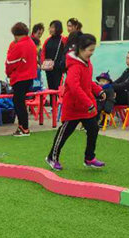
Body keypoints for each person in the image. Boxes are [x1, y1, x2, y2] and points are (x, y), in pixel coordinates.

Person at [46, 34, 106, 171]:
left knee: (93, 129)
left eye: (93, 50)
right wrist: (88, 103)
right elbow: (74, 87)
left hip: (85, 107)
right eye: (89, 50)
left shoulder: (87, 64)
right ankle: (52, 157)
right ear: (80, 49)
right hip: (73, 107)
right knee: (65, 133)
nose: (91, 53)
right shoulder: (74, 66)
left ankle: (89, 158)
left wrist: (98, 90)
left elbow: (88, 81)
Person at [5, 22, 38, 137]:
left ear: (16, 34)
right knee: (20, 102)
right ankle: (22, 126)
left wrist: (8, 73)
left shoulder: (19, 45)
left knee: (18, 103)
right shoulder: (31, 43)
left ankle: (24, 128)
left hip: (20, 78)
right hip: (30, 78)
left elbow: (10, 62)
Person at [41, 20, 67, 91]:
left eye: (52, 27)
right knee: (50, 88)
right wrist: (43, 62)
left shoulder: (63, 40)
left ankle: (57, 102)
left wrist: (62, 64)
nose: (50, 29)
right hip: (48, 68)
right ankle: (52, 102)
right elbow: (43, 52)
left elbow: (65, 53)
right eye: (50, 27)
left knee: (57, 88)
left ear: (58, 28)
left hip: (58, 69)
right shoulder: (47, 40)